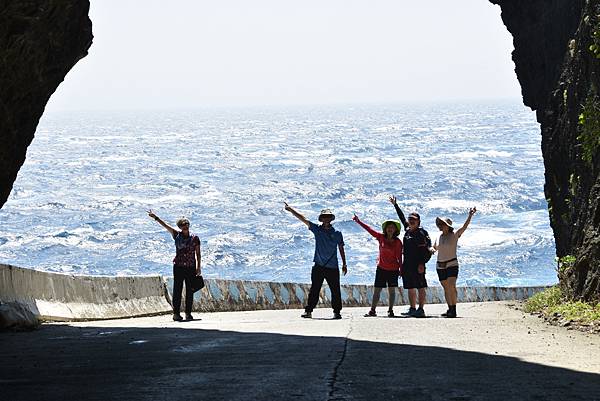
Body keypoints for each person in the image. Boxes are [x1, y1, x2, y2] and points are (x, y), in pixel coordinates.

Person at [284, 203, 347, 319]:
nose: (326, 218)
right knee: (315, 289)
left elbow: (341, 248)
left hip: (333, 267)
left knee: (335, 290)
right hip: (318, 266)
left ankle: (337, 312)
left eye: (328, 216)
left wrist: (344, 263)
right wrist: (291, 210)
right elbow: (303, 219)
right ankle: (308, 311)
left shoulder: (337, 233)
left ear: (331, 218)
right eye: (324, 217)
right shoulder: (317, 230)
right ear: (321, 219)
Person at [148, 210, 201, 322]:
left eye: (186, 224)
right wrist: (155, 217)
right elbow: (165, 225)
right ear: (180, 227)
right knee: (177, 289)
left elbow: (198, 254)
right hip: (179, 267)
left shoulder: (195, 238)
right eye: (183, 225)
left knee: (190, 291)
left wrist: (198, 267)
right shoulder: (176, 235)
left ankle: (188, 313)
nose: (185, 226)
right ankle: (176, 314)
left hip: (191, 267)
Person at [389, 196, 432, 318]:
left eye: (414, 220)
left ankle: (421, 309)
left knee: (421, 286)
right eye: (410, 219)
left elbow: (427, 250)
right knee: (410, 287)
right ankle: (412, 308)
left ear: (418, 222)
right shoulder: (407, 230)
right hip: (407, 264)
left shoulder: (421, 233)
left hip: (418, 265)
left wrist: (422, 264)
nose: (411, 221)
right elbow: (401, 217)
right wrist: (395, 205)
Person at [353, 214, 402, 317]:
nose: (390, 229)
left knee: (392, 291)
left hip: (393, 269)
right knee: (377, 290)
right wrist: (358, 221)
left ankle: (390, 310)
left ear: (395, 230)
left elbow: (399, 258)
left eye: (392, 227)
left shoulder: (398, 242)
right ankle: (372, 310)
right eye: (388, 227)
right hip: (381, 268)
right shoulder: (380, 237)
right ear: (385, 229)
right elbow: (369, 230)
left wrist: (401, 269)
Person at [432, 208, 476, 318]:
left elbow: (464, 227)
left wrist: (470, 215)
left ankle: (454, 309)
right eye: (440, 224)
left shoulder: (455, 235)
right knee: (446, 287)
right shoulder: (439, 237)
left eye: (443, 224)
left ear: (448, 226)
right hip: (440, 265)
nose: (441, 226)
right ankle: (450, 308)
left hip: (452, 263)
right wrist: (431, 249)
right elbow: (434, 247)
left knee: (451, 286)